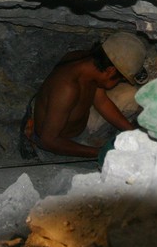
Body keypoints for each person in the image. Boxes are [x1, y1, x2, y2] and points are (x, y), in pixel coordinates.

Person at [21, 32, 147, 160]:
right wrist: (100, 153)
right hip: (56, 139)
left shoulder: (88, 63)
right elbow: (48, 140)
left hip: (78, 118)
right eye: (120, 79)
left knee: (130, 94)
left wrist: (133, 133)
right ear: (110, 71)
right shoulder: (67, 88)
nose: (119, 82)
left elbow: (101, 101)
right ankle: (29, 136)